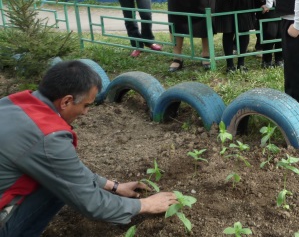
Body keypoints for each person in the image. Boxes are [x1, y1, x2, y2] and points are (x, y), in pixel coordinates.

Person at [0, 61, 177, 236]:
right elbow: (90, 203)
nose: (86, 113)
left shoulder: (12, 104)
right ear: (66, 101)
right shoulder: (47, 137)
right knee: (57, 188)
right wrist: (146, 205)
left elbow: (65, 170)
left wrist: (113, 186)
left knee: (58, 179)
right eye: (85, 105)